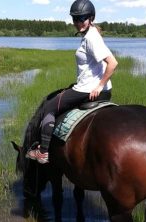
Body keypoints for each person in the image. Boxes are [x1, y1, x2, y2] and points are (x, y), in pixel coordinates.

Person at [26, 0, 118, 164]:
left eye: (82, 18)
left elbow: (113, 63)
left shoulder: (91, 38)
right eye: (75, 19)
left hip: (88, 89)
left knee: (48, 107)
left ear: (91, 18)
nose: (78, 22)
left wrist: (99, 85)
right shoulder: (91, 34)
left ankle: (43, 152)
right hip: (97, 89)